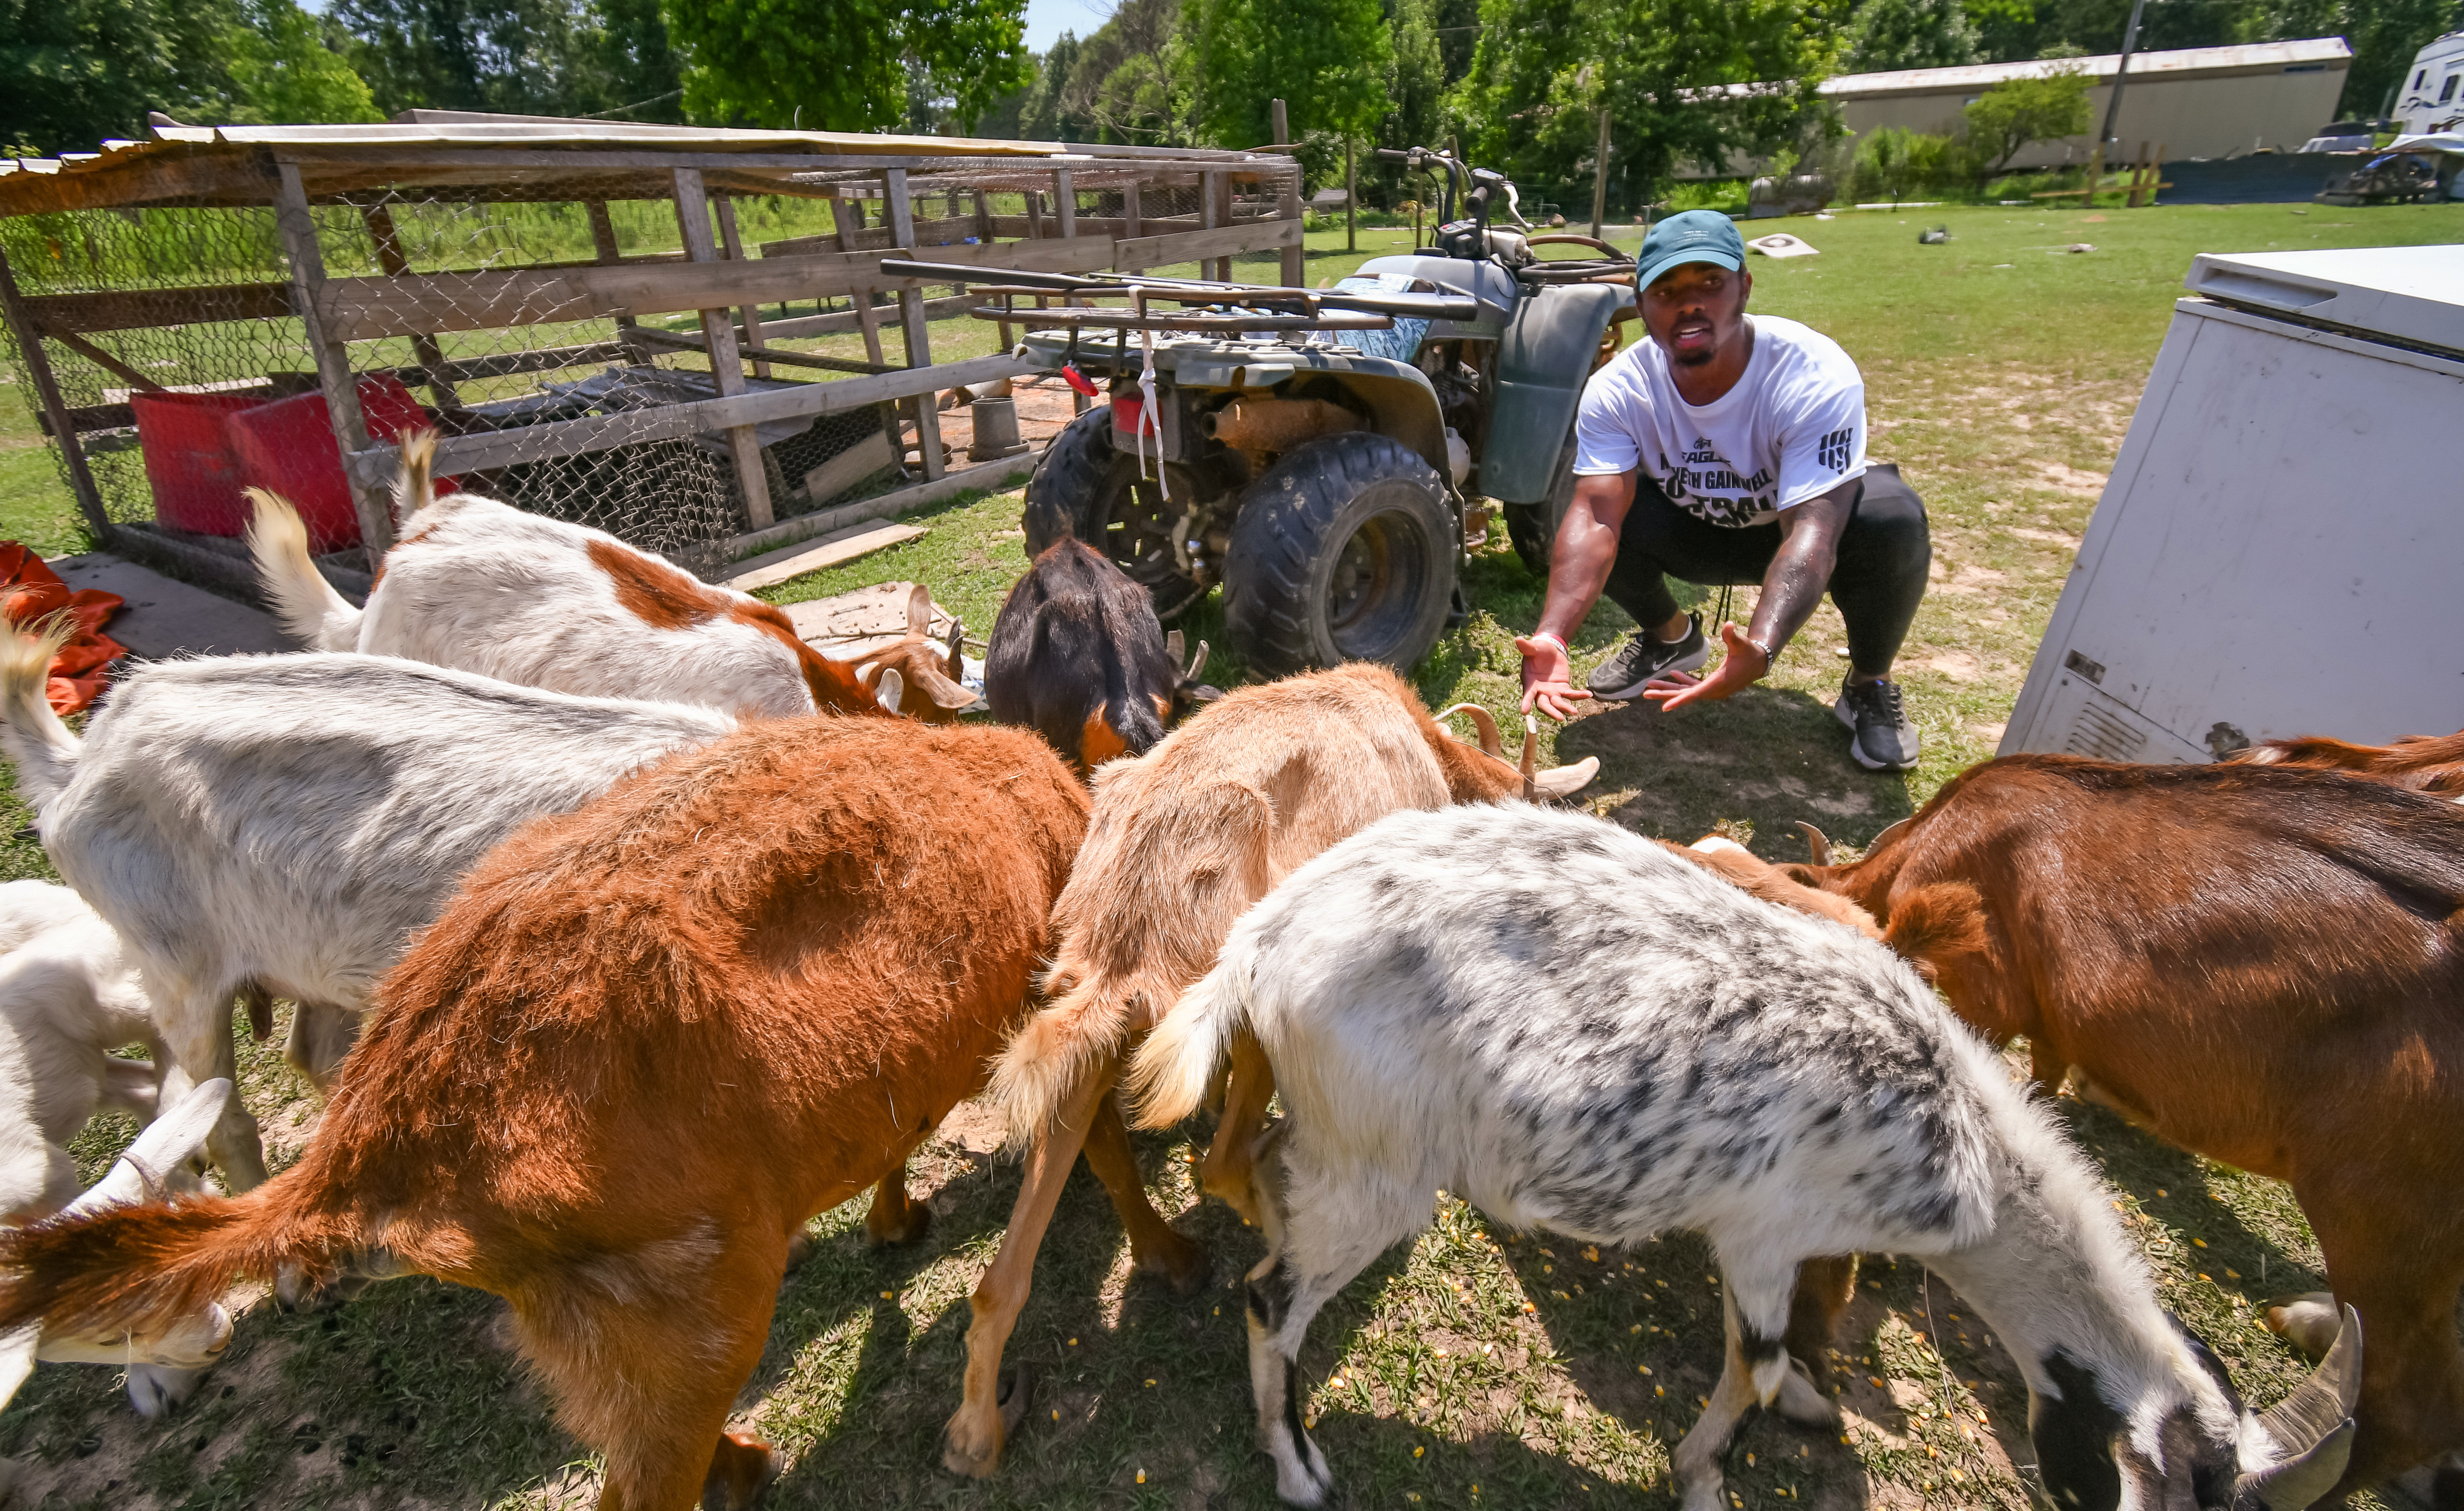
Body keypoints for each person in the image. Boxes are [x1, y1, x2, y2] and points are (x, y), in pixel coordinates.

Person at [1515, 210, 1931, 771]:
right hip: (1698, 531)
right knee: (1593, 507)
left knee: (1892, 517)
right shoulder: (1618, 389)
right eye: (1666, 290)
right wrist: (1553, 635)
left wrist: (1760, 647)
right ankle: (1671, 641)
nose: (1689, 303)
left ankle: (1869, 681)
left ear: (1744, 288)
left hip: (1797, 537)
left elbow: (1813, 528)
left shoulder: (1812, 371)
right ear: (1641, 308)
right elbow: (1595, 516)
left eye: (1710, 283)